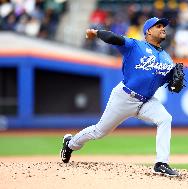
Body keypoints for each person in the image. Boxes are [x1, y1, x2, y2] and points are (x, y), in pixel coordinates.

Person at [60, 17, 179, 176]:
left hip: (147, 102)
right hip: (124, 97)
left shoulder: (167, 58)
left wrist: (175, 83)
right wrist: (96, 32)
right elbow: (114, 38)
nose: (163, 28)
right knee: (99, 132)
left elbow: (172, 86)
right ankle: (71, 144)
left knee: (165, 118)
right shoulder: (135, 46)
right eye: (158, 26)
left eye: (163, 26)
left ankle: (161, 163)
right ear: (148, 31)